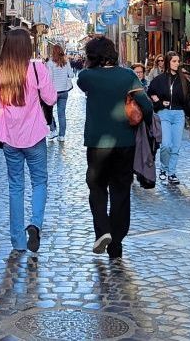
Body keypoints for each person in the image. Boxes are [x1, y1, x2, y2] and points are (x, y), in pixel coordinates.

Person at [76, 35, 154, 259]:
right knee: (121, 191)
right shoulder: (128, 76)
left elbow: (84, 82)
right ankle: (116, 243)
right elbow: (146, 106)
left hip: (97, 143)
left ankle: (103, 230)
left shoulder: (87, 76)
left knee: (97, 187)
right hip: (125, 142)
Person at [0, 28, 56, 253]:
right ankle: (35, 224)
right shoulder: (37, 68)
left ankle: (17, 241)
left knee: (15, 186)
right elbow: (51, 98)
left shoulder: (1, 71)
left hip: (9, 137)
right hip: (35, 135)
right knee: (39, 182)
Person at [148, 52, 190, 185]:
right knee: (166, 145)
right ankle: (163, 169)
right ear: (169, 62)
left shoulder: (183, 80)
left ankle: (172, 173)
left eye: (178, 61)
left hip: (179, 114)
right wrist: (159, 102)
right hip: (164, 114)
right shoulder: (160, 79)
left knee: (176, 146)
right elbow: (151, 92)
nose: (177, 63)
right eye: (174, 61)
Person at [48, 43, 75, 142]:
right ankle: (62, 136)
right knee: (62, 114)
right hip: (64, 91)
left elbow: (49, 78)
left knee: (48, 111)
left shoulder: (50, 63)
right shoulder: (66, 62)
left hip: (53, 92)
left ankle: (53, 130)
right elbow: (71, 75)